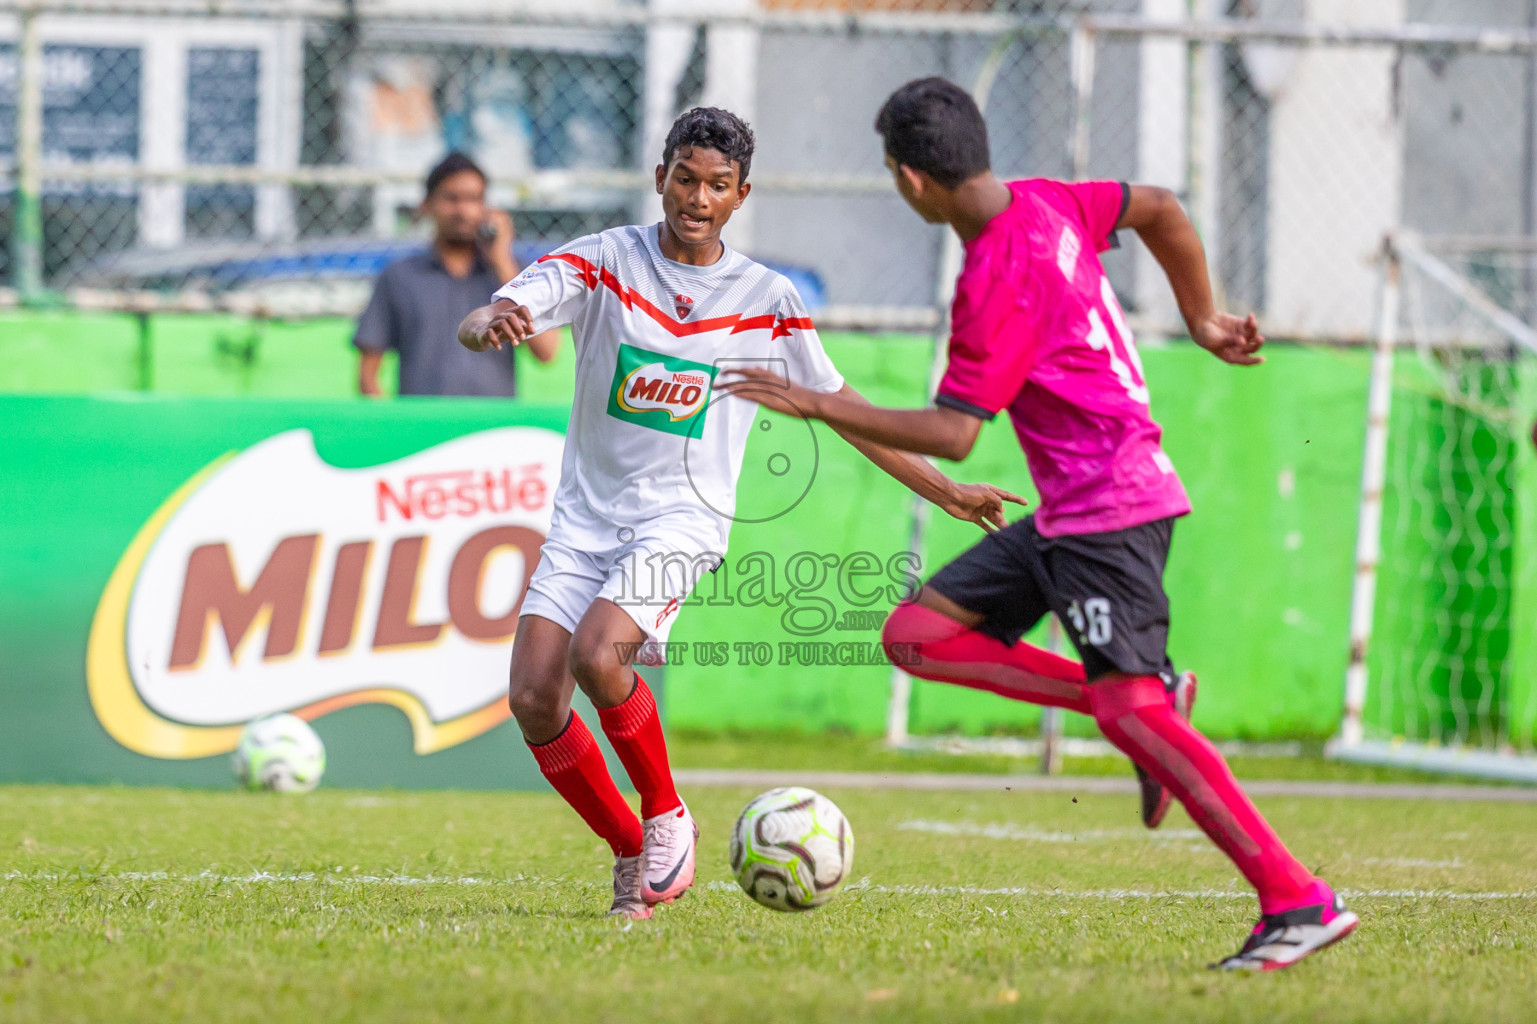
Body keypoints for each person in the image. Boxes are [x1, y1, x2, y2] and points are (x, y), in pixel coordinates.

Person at [722, 77, 1358, 971]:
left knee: (1127, 708)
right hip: (1074, 508)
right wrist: (1202, 318)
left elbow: (953, 432)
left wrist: (819, 406)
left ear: (910, 181)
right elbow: (1162, 208)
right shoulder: (1048, 200)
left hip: (1110, 506)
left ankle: (1296, 899)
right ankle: (1150, 702)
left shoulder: (989, 276)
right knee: (918, 634)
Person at [455, 107, 1021, 919]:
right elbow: (495, 312)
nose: (696, 197)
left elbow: (840, 407)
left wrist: (946, 489)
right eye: (684, 178)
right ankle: (630, 853)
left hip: (682, 519)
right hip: (585, 521)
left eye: (717, 186)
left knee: (597, 655)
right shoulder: (602, 261)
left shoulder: (765, 298)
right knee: (533, 698)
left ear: (740, 195)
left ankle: (667, 814)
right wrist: (487, 328)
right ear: (660, 177)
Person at [355, 152, 560, 397]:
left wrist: (502, 262)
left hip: (496, 428)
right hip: (424, 430)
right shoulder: (400, 276)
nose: (463, 210)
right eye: (451, 199)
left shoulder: (513, 272)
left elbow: (546, 353)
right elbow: (368, 377)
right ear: (427, 205)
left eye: (473, 199)